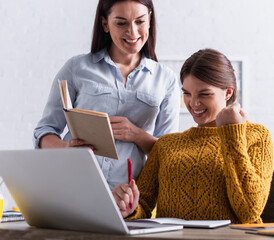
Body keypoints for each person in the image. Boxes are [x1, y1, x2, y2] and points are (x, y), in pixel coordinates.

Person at [114, 48, 274, 224]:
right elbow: (142, 205)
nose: (194, 103)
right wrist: (129, 209)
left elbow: (249, 211)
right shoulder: (167, 145)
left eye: (204, 94)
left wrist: (232, 131)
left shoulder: (257, 136)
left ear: (228, 92)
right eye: (187, 93)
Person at [33, 0, 180, 190]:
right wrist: (66, 148)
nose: (133, 32)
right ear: (105, 24)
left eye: (140, 22)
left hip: (128, 195)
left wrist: (136, 134)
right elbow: (43, 132)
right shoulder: (77, 68)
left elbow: (170, 153)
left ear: (150, 20)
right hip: (72, 186)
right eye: (121, 23)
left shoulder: (165, 79)